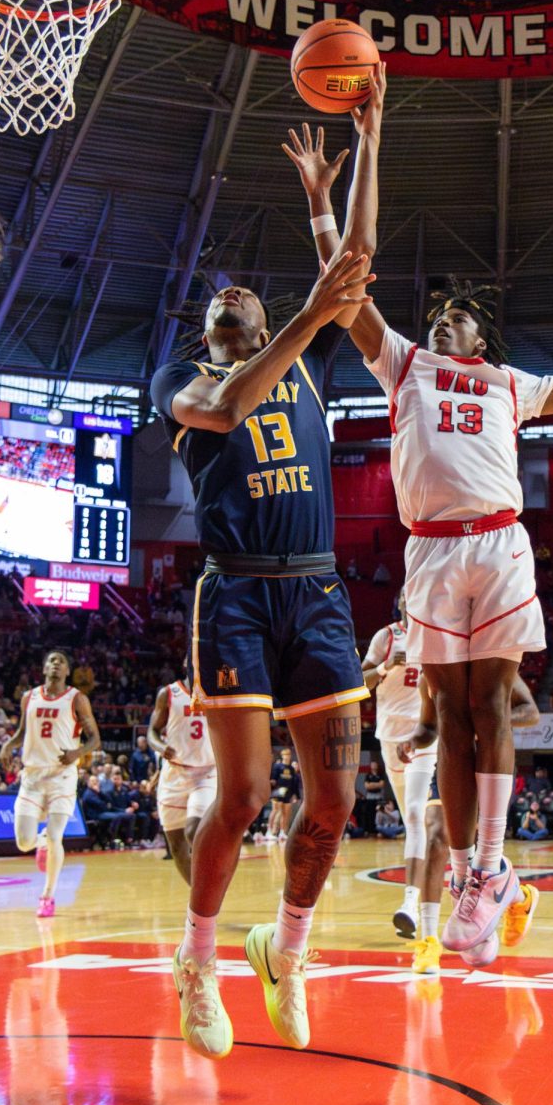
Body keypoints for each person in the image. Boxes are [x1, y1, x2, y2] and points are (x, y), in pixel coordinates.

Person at [285, 58, 553, 958]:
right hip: (431, 554)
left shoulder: (512, 384)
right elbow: (346, 290)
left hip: (496, 544)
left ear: (483, 335)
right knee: (448, 717)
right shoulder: (404, 363)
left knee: (490, 701)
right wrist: (328, 197)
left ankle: (486, 867)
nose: (442, 319)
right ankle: (486, 872)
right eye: (437, 312)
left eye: (457, 316)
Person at [149, 251, 374, 1059]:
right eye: (220, 297)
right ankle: (197, 961)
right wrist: (308, 314)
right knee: (241, 793)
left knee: (336, 801)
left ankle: (285, 951)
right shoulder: (178, 376)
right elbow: (230, 405)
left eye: (245, 291)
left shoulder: (312, 359)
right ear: (213, 330)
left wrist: (369, 136)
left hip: (316, 593)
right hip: (237, 592)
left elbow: (356, 257)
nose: (232, 292)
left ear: (268, 323)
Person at [409, 674, 541, 975]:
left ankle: (520, 899)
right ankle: (430, 941)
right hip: (450, 762)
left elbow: (531, 712)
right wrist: (413, 741)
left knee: (482, 859)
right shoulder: (427, 676)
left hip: (490, 761)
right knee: (435, 838)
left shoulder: (488, 662)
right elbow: (428, 728)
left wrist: (488, 719)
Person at [0, 649, 100, 917]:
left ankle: (48, 896)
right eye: (52, 660)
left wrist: (77, 754)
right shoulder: (28, 697)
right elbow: (23, 731)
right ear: (44, 668)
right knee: (23, 842)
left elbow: (94, 738)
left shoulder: (77, 699)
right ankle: (40, 841)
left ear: (68, 671)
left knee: (57, 835)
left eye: (62, 661)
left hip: (62, 776)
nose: (56, 664)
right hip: (32, 776)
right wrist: (9, 745)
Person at [362, 589, 435, 937]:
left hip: (424, 735)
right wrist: (384, 666)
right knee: (412, 822)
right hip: (389, 739)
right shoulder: (386, 636)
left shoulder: (435, 635)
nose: (413, 600)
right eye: (408, 596)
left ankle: (410, 904)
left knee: (418, 816)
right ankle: (429, 892)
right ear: (401, 602)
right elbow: (359, 682)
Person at [147, 679, 217, 882]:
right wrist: (161, 747)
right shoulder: (168, 693)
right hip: (174, 773)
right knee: (177, 847)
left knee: (194, 831)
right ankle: (198, 898)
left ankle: (209, 891)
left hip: (207, 772)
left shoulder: (217, 692)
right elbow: (152, 731)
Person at [268, 748, 300, 841]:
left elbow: (294, 784)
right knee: (275, 810)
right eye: (285, 755)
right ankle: (269, 831)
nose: (287, 757)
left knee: (286, 813)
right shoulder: (277, 766)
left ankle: (283, 832)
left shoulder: (291, 769)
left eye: (288, 755)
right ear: (282, 756)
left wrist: (296, 795)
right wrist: (274, 787)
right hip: (278, 792)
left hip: (288, 793)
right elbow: (273, 780)